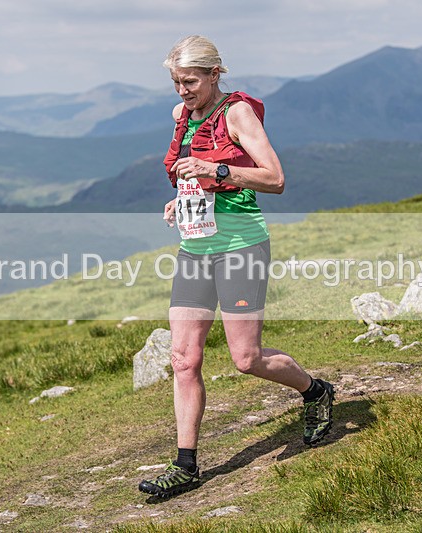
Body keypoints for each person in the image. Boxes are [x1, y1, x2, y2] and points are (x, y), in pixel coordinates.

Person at [138, 35, 335, 499]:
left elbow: (275, 179)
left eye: (190, 82)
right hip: (195, 249)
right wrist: (182, 200)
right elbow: (193, 176)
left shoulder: (236, 113)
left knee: (247, 360)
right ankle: (186, 465)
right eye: (175, 83)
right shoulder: (182, 117)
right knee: (184, 358)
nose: (182, 91)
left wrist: (216, 172)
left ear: (214, 74)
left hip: (242, 247)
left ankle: (315, 391)